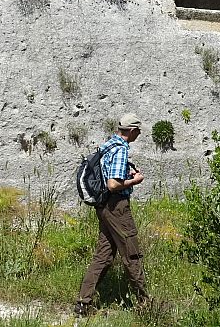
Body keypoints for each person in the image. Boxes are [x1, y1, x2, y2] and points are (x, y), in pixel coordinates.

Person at [75, 113, 149, 315]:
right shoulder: (121, 150)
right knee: (131, 255)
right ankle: (145, 305)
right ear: (132, 131)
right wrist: (135, 180)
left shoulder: (107, 146)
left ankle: (83, 303)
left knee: (104, 256)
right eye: (138, 131)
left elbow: (109, 176)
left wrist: (127, 174)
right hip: (117, 208)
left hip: (104, 207)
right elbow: (113, 184)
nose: (139, 134)